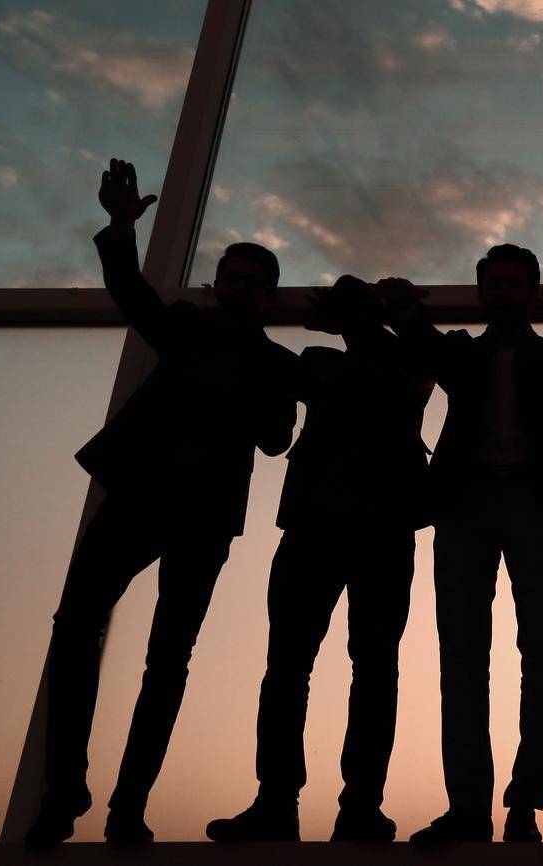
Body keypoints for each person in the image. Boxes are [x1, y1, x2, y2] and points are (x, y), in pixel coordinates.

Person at [25, 160, 297, 847]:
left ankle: (126, 807)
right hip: (141, 498)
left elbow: (274, 439)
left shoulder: (272, 364)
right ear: (218, 286)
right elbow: (130, 292)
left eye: (249, 284)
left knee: (167, 657)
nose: (235, 290)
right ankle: (66, 792)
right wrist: (120, 225)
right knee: (78, 626)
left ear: (267, 297)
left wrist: (250, 385)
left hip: (202, 519)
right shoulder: (185, 326)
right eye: (228, 279)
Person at [379, 245, 543, 844]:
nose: (504, 293)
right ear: (482, 292)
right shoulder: (460, 353)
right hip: (466, 507)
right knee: (462, 655)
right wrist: (402, 308)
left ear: (530, 292)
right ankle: (470, 807)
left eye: (515, 284)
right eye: (495, 284)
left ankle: (525, 803)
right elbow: (420, 343)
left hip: (532, 506)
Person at [205, 276, 434, 844]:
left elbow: (401, 375)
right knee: (312, 667)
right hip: (335, 526)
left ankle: (319, 803)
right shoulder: (329, 362)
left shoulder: (394, 360)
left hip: (351, 527)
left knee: (334, 668)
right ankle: (305, 803)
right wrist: (360, 323)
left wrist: (356, 324)